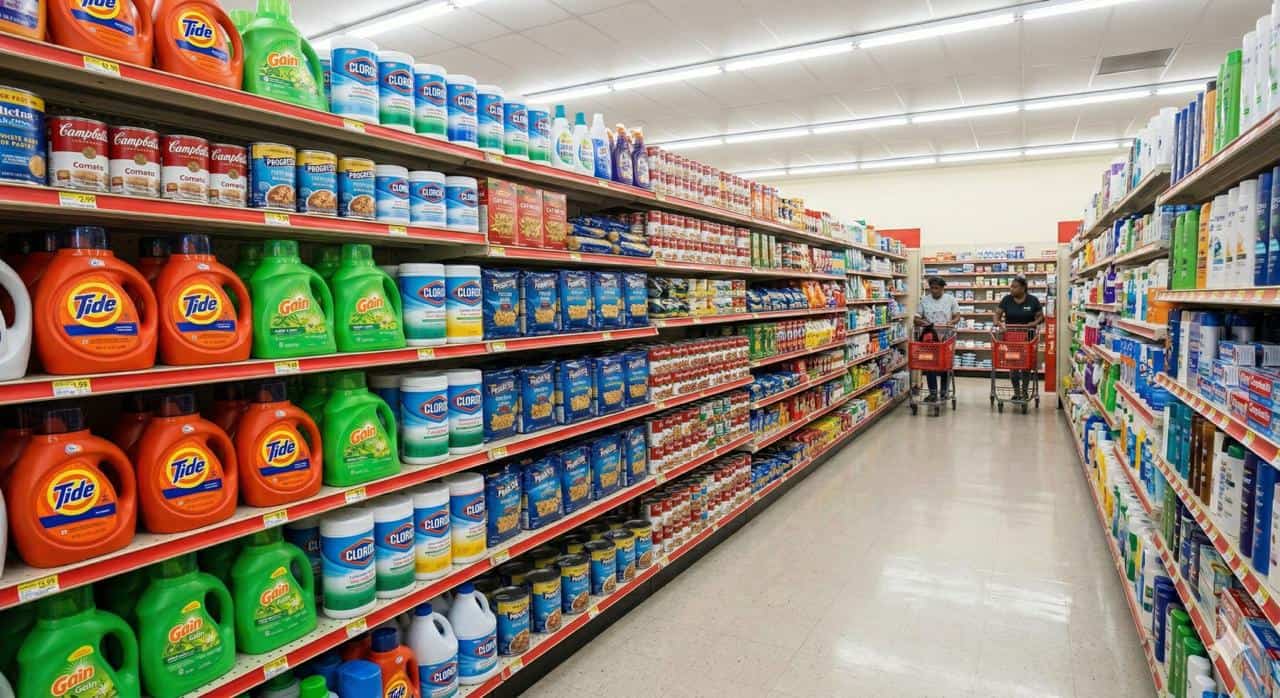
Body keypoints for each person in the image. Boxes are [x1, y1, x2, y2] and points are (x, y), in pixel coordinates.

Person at [994, 276, 1045, 401]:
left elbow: (1040, 317)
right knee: (1013, 366)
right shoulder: (1006, 299)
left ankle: (1025, 392)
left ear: (1023, 288)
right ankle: (1017, 392)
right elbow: (997, 315)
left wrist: (1033, 324)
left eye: (1014, 287)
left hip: (1028, 338)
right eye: (1011, 286)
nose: (1011, 289)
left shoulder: (1033, 300)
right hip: (1011, 338)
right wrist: (999, 324)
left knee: (1026, 366)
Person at [915, 276, 959, 402]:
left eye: (937, 288)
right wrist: (924, 323)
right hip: (930, 338)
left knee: (945, 365)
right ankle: (933, 392)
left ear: (943, 288)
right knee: (930, 365)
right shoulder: (924, 300)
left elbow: (957, 316)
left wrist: (952, 322)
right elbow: (916, 318)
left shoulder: (950, 300)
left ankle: (944, 391)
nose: (934, 291)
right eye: (932, 288)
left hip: (946, 337)